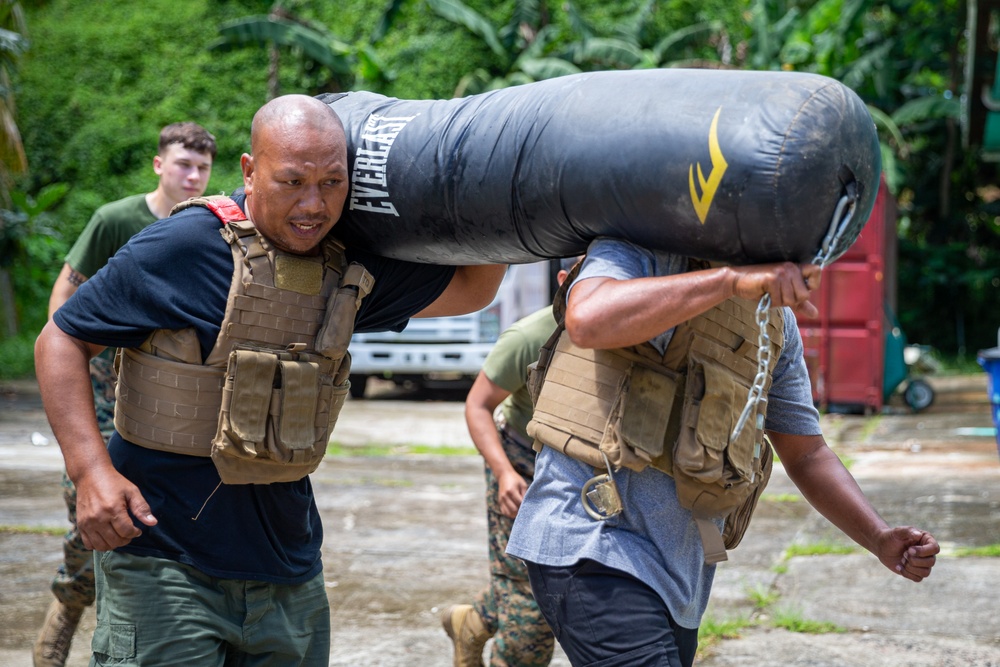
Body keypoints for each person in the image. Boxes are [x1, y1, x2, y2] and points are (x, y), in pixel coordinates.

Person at [33, 94, 506, 666]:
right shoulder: (182, 248)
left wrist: (486, 182)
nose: (314, 204)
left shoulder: (345, 268)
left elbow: (474, 288)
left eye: (333, 183)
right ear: (250, 171)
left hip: (288, 566)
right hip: (165, 559)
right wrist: (90, 473)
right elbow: (60, 338)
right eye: (293, 182)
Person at [507, 237, 940, 667]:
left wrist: (878, 537)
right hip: (591, 545)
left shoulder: (774, 322)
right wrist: (730, 281)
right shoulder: (641, 249)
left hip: (680, 577)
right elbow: (587, 319)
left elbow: (806, 453)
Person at [35, 121, 217, 667]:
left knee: (152, 521)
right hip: (105, 398)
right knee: (93, 517)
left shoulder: (208, 226)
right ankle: (65, 615)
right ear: (159, 165)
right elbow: (62, 304)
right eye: (184, 164)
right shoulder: (117, 220)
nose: (193, 176)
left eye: (203, 168)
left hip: (170, 401)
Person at [441, 258, 578, 667]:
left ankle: (473, 621)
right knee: (530, 611)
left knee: (575, 587)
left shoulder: (631, 335)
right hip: (523, 465)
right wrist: (504, 473)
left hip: (581, 473)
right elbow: (478, 406)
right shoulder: (530, 336)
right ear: (563, 282)